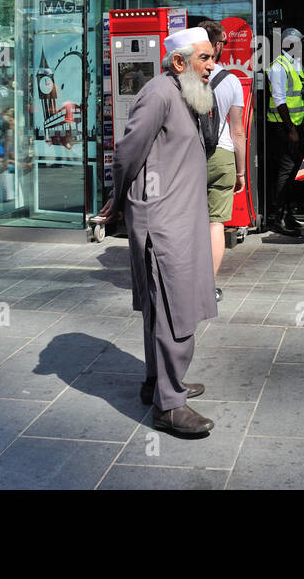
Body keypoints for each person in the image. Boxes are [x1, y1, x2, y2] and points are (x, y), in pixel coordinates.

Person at [100, 28, 219, 436]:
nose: (211, 66)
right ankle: (169, 407)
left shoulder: (183, 92)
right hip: (164, 220)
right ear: (179, 62)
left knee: (164, 306)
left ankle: (160, 384)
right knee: (174, 307)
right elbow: (128, 152)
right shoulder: (158, 92)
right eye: (204, 58)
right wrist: (117, 202)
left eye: (212, 57)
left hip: (181, 218)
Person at [198, 20, 246, 304]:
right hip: (223, 154)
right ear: (216, 46)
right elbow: (238, 131)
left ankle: (185, 279)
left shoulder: (184, 75)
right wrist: (241, 172)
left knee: (189, 221)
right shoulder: (231, 80)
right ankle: (208, 286)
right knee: (216, 223)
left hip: (189, 157)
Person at [265, 27, 304, 236]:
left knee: (293, 171)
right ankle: (278, 217)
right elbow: (280, 99)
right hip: (283, 126)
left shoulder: (295, 63)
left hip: (296, 125)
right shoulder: (278, 67)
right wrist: (291, 129)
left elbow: (300, 97)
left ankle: (288, 213)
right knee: (285, 171)